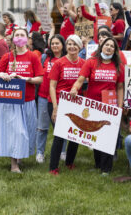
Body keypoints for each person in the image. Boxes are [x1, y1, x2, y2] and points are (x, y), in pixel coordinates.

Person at [0, 27, 44, 173]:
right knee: (16, 132)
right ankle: (14, 164)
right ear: (13, 38)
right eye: (17, 35)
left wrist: (26, 79)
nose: (19, 37)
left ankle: (18, 155)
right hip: (11, 101)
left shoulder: (33, 57)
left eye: (22, 35)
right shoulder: (7, 57)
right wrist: (2, 75)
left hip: (27, 100)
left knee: (26, 131)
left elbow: (40, 78)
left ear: (27, 39)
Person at [70, 37, 124, 174]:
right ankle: (98, 164)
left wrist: (120, 105)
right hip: (93, 104)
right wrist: (75, 89)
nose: (109, 48)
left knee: (108, 137)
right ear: (101, 46)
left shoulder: (118, 66)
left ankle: (106, 169)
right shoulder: (91, 62)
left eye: (112, 46)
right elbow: (80, 79)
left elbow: (119, 87)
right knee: (95, 135)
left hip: (110, 106)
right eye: (107, 45)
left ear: (115, 50)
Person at [48, 35, 86, 175]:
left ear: (79, 47)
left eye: (74, 44)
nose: (71, 47)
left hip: (76, 103)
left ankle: (69, 162)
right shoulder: (59, 63)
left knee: (75, 136)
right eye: (69, 44)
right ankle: (53, 167)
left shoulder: (83, 63)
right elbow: (52, 86)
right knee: (59, 135)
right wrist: (55, 108)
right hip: (58, 102)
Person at [36, 34, 66, 164]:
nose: (54, 46)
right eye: (52, 43)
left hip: (61, 98)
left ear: (62, 45)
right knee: (42, 127)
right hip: (43, 96)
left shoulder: (66, 59)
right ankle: (40, 153)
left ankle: (62, 152)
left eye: (57, 43)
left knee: (62, 128)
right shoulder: (44, 58)